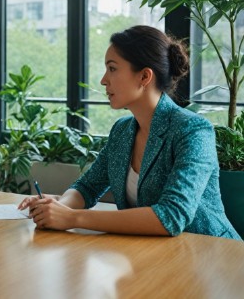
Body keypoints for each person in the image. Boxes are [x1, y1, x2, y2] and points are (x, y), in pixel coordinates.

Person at [19, 25, 241, 240]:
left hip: (213, 258)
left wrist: (73, 218)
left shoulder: (193, 131)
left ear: (144, 77)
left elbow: (171, 216)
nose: (103, 80)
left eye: (112, 68)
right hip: (153, 257)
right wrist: (59, 207)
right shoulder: (122, 130)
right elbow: (87, 187)